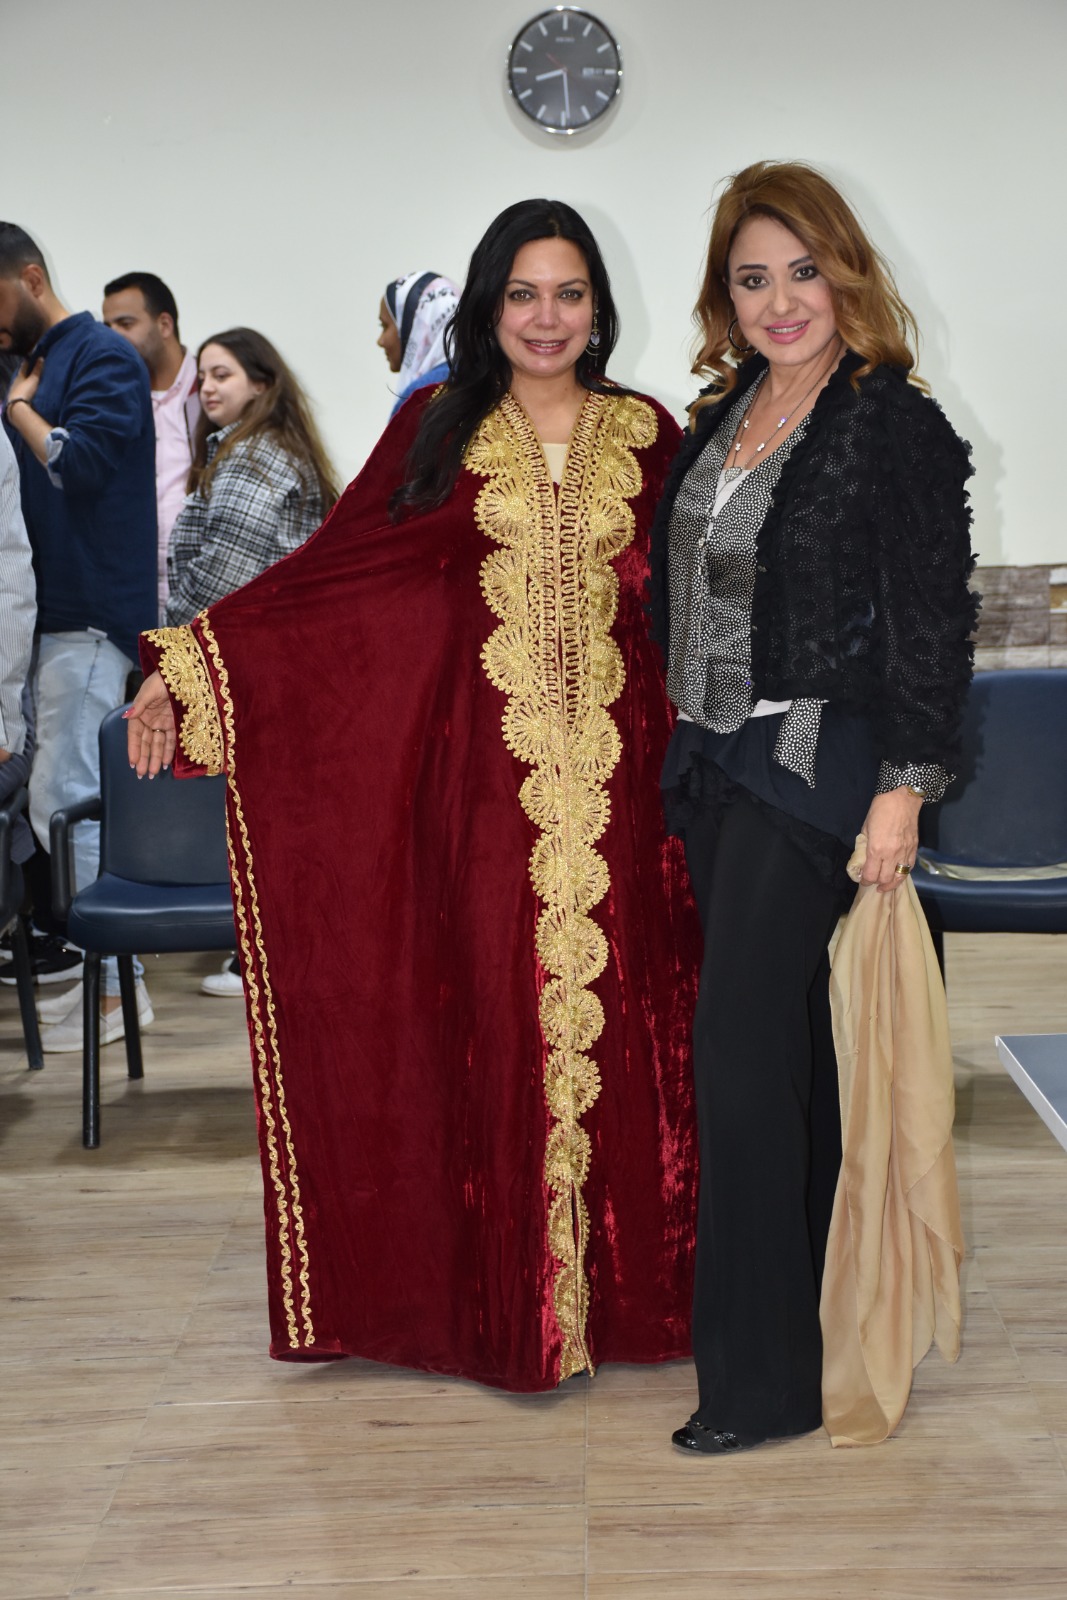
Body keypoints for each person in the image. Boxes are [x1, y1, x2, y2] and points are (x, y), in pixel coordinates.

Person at [126, 199, 701, 1391]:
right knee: (490, 1035)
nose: (546, 319)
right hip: (482, 806)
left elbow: (707, 604)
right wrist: (188, 668)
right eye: (522, 294)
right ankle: (502, 1308)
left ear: (599, 307)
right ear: (488, 307)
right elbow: (335, 583)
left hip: (633, 802)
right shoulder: (434, 432)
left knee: (642, 1043)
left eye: (569, 293)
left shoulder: (651, 435)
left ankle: (637, 1303)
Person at [647, 161, 978, 1455]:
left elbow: (930, 626)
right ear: (722, 299)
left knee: (735, 1048)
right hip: (710, 762)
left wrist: (902, 790)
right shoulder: (719, 414)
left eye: (800, 270)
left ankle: (759, 1382)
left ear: (843, 272)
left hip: (817, 762)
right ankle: (816, 1327)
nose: (778, 299)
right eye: (750, 279)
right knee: (792, 1052)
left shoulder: (890, 422)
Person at [0, 221, 157, 1051]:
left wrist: (20, 409)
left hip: (93, 616)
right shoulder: (37, 360)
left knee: (69, 801)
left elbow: (81, 463)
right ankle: (110, 985)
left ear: (30, 278)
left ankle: (116, 995)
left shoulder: (102, 356)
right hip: (52, 618)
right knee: (54, 801)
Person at [167, 327, 339, 998]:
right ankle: (274, 962)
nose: (208, 387)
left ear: (261, 384)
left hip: (264, 671)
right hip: (284, 668)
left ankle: (268, 965)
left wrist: (167, 640)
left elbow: (224, 574)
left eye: (223, 375)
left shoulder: (253, 455)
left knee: (268, 822)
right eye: (203, 376)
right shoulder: (262, 449)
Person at [102, 272, 202, 623]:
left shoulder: (210, 390)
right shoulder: (112, 397)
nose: (112, 336)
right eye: (107, 326)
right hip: (129, 586)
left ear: (164, 324)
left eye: (126, 324)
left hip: (199, 585)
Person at [377, 271, 460, 414]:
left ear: (412, 326)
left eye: (385, 326)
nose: (380, 341)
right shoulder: (484, 377)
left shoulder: (421, 395)